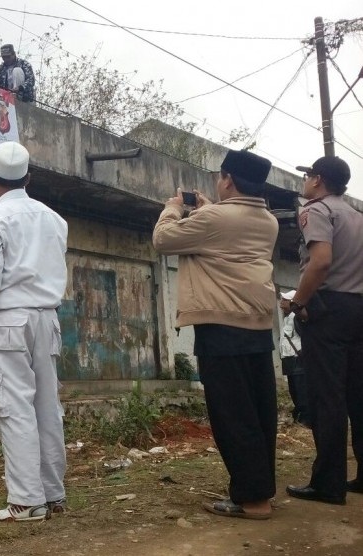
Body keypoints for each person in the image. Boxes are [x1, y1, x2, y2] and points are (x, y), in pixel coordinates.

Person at [152, 150, 279, 520]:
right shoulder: (268, 220)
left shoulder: (214, 218)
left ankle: (252, 500)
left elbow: (163, 239)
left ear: (228, 180)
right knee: (258, 413)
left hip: (221, 329)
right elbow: (223, 231)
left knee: (232, 415)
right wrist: (208, 209)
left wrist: (173, 207)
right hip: (256, 327)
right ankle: (261, 491)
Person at [0, 141, 68, 522]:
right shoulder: (55, 220)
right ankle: (52, 493)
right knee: (45, 407)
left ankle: (25, 501)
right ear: (29, 178)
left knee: (13, 406)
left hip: (9, 321)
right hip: (47, 319)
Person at [282, 155, 363, 506]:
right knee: (359, 395)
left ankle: (328, 483)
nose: (306, 183)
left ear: (317, 180)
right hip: (359, 309)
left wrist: (298, 303)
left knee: (327, 396)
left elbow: (321, 261)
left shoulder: (316, 210)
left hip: (328, 310)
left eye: (308, 177)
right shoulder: (358, 217)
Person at [279, 290, 309, 427]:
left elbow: (305, 337)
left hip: (298, 359)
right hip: (289, 359)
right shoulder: (286, 318)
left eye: (285, 299)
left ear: (292, 302)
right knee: (294, 390)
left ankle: (305, 418)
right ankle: (299, 416)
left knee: (301, 390)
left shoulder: (296, 318)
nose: (282, 301)